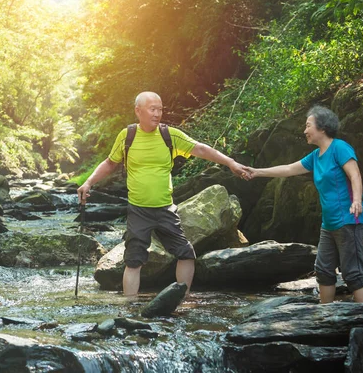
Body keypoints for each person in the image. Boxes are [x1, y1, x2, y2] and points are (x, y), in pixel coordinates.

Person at [77, 91, 248, 296]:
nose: (157, 113)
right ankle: (129, 308)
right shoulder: (127, 136)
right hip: (138, 210)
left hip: (166, 209)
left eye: (160, 109)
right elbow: (110, 163)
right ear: (138, 111)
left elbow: (200, 149)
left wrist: (230, 162)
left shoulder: (170, 135)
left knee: (186, 253)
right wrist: (88, 182)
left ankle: (180, 300)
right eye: (152, 109)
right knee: (133, 260)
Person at [241, 105, 363, 304]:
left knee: (353, 273)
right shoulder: (315, 156)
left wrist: (356, 200)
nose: (304, 130)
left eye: (308, 125)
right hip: (329, 224)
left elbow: (355, 175)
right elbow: (288, 169)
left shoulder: (340, 147)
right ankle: (324, 316)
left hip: (349, 220)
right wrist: (257, 171)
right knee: (324, 270)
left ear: (322, 128)